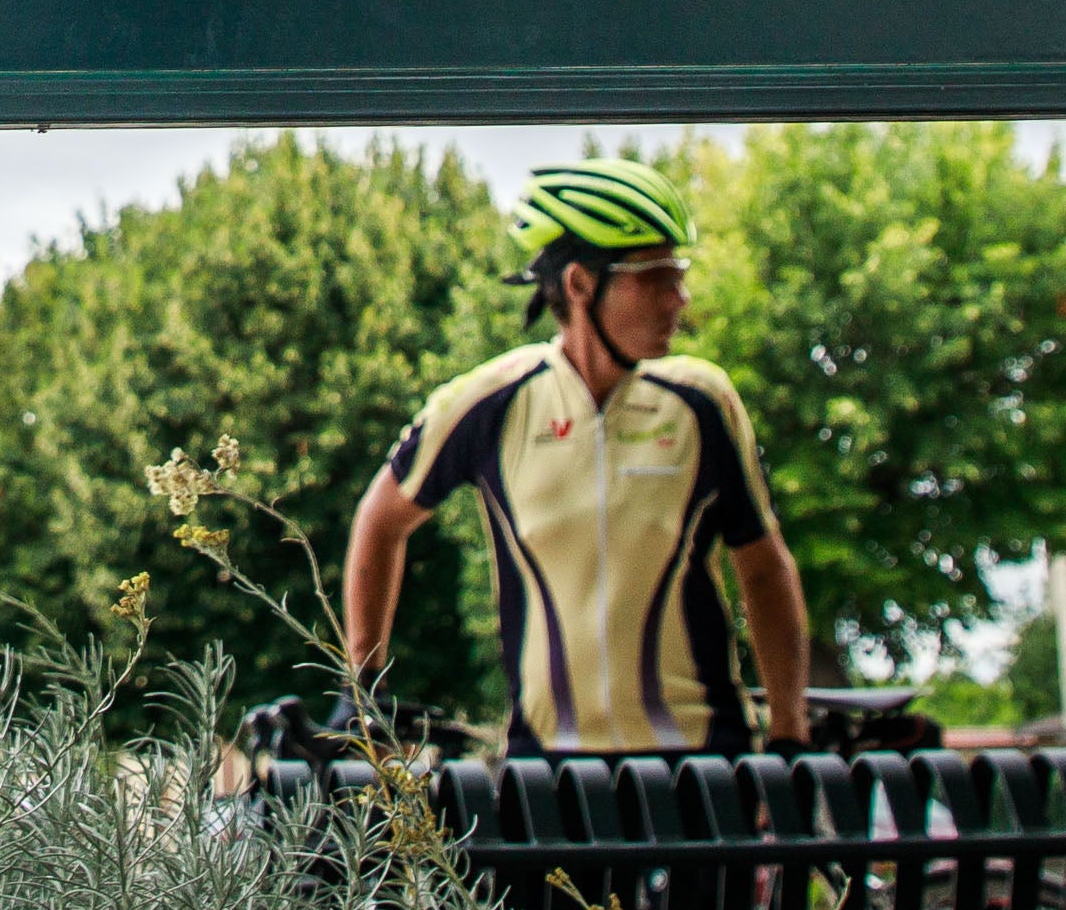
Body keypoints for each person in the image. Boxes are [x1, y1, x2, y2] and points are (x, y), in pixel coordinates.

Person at [343, 158, 809, 759]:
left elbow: (764, 567)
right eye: (655, 276)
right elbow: (380, 521)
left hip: (704, 767)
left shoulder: (703, 403)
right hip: (550, 777)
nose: (680, 298)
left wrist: (790, 731)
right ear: (580, 284)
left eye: (680, 273)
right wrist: (364, 690)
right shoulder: (490, 403)